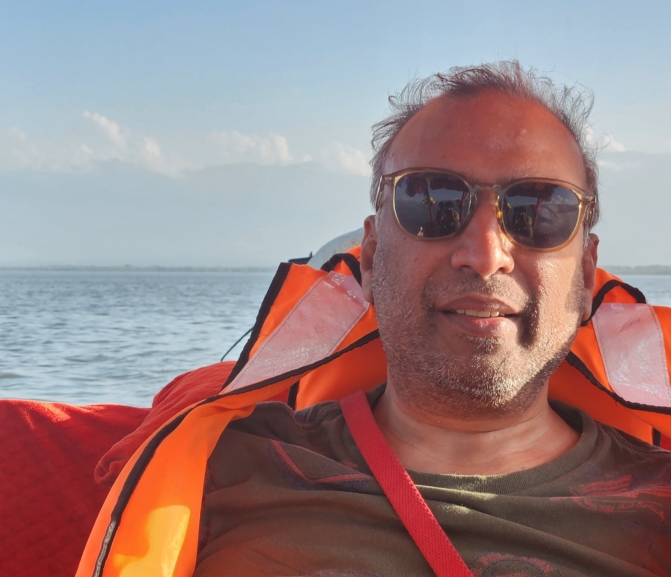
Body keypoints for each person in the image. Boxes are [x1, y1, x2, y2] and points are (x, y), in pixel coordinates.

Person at [77, 62, 671, 577]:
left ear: (586, 274)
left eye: (539, 210)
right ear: (369, 256)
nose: (485, 252)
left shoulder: (660, 502)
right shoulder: (228, 468)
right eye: (432, 202)